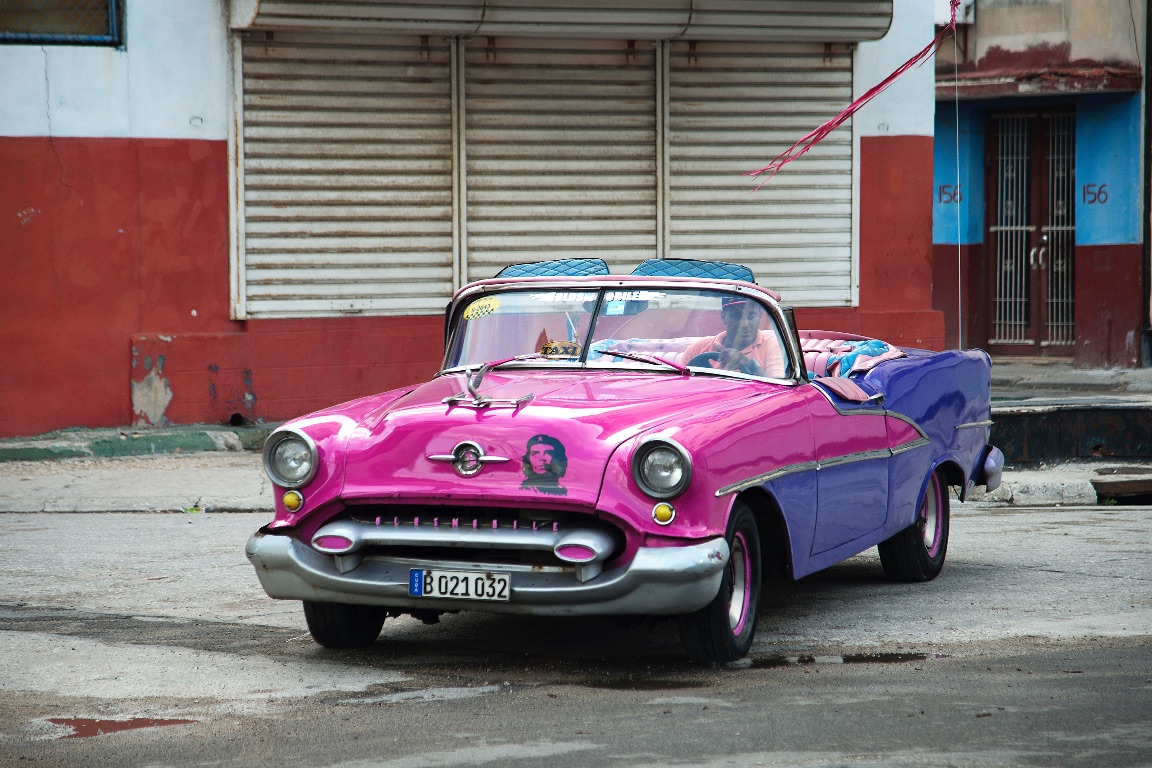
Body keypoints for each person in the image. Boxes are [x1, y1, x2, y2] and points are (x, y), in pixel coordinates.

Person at [681, 296, 784, 377]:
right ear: (723, 317)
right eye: (736, 316)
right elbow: (679, 385)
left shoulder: (772, 346)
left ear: (760, 317)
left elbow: (780, 391)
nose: (744, 324)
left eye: (751, 316)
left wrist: (750, 365)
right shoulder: (698, 349)